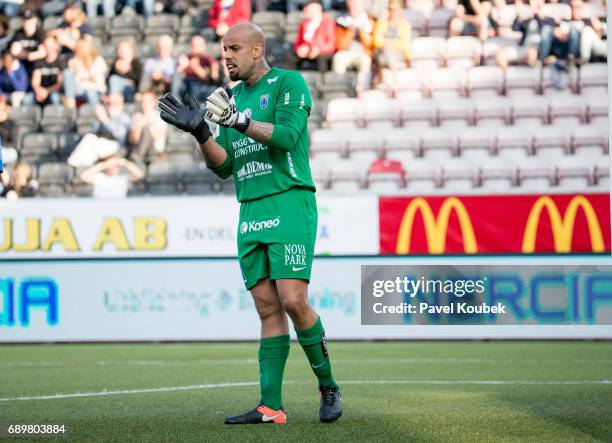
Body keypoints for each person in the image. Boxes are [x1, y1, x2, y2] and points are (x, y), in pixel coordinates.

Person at [158, 23, 342, 425]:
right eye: (223, 49)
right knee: (266, 308)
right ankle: (270, 406)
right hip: (251, 209)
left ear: (257, 50)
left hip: (290, 200)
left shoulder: (288, 83)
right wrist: (202, 132)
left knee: (293, 300)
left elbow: (289, 137)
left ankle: (327, 384)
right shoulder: (230, 100)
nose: (226, 56)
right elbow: (223, 166)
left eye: (234, 48)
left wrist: (238, 120)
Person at [68, 92, 131, 167]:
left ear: (121, 104)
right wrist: (99, 120)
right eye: (108, 103)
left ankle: (72, 165)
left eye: (114, 103)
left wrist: (104, 119)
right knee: (90, 146)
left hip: (117, 146)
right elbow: (94, 132)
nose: (110, 105)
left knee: (90, 141)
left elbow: (119, 135)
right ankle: (78, 169)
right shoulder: (106, 115)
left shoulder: (124, 117)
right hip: (101, 144)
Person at [496, 0, 554, 69]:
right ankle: (507, 76)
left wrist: (536, 14)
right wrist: (519, 16)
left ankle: (518, 63)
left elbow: (542, 27)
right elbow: (515, 28)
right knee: (500, 55)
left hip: (538, 50)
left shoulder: (549, 19)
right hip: (524, 47)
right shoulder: (529, 19)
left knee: (531, 54)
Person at [333, 0, 374, 94]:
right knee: (338, 58)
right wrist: (350, 31)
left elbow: (370, 45)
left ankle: (362, 89)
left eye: (356, 6)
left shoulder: (369, 20)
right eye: (351, 6)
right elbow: (340, 46)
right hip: (347, 52)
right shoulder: (342, 20)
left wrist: (362, 32)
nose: (354, 9)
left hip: (362, 52)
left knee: (365, 60)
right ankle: (341, 87)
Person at [292, 0, 336, 73]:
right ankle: (292, 81)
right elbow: (298, 41)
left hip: (322, 51)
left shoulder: (327, 22)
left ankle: (322, 82)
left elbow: (331, 44)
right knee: (291, 56)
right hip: (307, 51)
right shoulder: (303, 23)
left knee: (321, 58)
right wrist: (299, 49)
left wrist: (319, 49)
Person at [172, 35, 219, 102]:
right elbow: (178, 78)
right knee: (177, 74)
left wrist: (194, 67)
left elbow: (207, 78)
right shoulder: (185, 58)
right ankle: (175, 103)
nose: (195, 47)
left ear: (203, 46)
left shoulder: (207, 59)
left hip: (202, 86)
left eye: (198, 45)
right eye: (193, 45)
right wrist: (182, 67)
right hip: (186, 86)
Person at [64, 38, 108, 107]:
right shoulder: (74, 61)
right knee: (67, 72)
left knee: (90, 92)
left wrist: (83, 76)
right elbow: (75, 81)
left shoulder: (98, 59)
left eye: (82, 47)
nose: (80, 50)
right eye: (78, 48)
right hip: (80, 89)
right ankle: (70, 103)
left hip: (95, 88)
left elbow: (96, 78)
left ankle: (97, 112)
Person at [26, 34, 65, 106]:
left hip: (54, 91)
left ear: (56, 45)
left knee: (55, 98)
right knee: (27, 99)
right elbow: (35, 80)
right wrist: (38, 90)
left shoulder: (61, 60)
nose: (48, 47)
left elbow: (60, 83)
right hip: (40, 91)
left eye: (51, 45)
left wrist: (47, 91)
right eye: (46, 45)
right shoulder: (39, 61)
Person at [80, 155, 144, 198]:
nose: (114, 167)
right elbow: (83, 176)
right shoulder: (99, 177)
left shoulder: (122, 178)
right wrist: (104, 165)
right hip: (99, 207)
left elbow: (140, 175)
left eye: (115, 165)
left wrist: (125, 163)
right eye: (112, 165)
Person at [129, 90, 167, 161]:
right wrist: (138, 126)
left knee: (146, 129)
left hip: (155, 151)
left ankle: (138, 156)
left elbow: (157, 136)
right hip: (138, 147)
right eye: (143, 101)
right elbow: (132, 140)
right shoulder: (136, 116)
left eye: (147, 101)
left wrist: (147, 122)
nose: (145, 103)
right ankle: (138, 155)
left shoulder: (160, 116)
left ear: (154, 102)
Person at [373, 0, 412, 71]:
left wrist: (386, 42)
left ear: (400, 10)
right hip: (383, 53)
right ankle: (394, 71)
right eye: (390, 9)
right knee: (384, 50)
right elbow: (376, 42)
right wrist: (394, 42)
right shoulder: (381, 22)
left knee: (385, 53)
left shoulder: (405, 25)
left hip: (398, 55)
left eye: (395, 10)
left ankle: (391, 71)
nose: (392, 12)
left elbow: (405, 45)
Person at [10, 9, 46, 76]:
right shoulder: (18, 33)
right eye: (25, 20)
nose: (27, 22)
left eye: (29, 19)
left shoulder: (40, 33)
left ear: (35, 20)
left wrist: (28, 55)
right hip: (22, 63)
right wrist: (29, 55)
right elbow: (14, 51)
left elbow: (43, 53)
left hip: (38, 63)